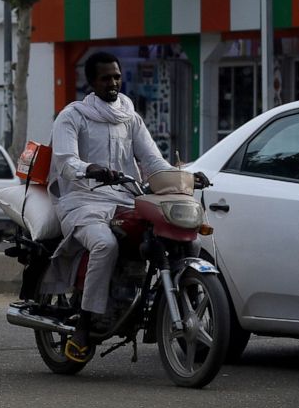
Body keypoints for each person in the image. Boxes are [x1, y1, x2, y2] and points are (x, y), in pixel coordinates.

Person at [45, 51, 205, 363]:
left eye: (117, 76)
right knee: (105, 245)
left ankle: (186, 308)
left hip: (124, 201)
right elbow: (65, 161)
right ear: (91, 82)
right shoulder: (72, 116)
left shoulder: (130, 118)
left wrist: (184, 176)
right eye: (106, 78)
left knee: (187, 239)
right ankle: (86, 323)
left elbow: (152, 161)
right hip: (81, 202)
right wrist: (89, 169)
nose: (113, 83)